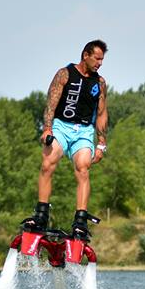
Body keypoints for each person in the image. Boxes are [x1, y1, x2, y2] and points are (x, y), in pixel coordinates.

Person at [23, 39, 108, 240]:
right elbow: (51, 103)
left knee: (83, 167)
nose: (100, 63)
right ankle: (41, 215)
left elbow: (102, 112)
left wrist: (101, 144)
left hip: (84, 131)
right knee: (47, 164)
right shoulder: (64, 74)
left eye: (102, 60)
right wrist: (47, 128)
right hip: (61, 126)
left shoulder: (100, 82)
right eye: (97, 58)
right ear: (85, 55)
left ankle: (80, 221)